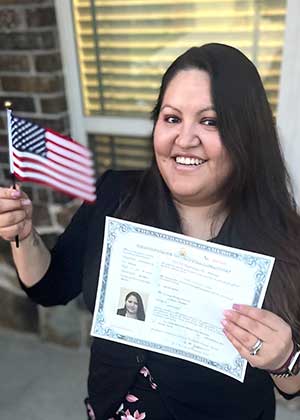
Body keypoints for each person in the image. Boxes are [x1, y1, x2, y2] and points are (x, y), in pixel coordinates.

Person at [0, 43, 300, 420]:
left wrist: (285, 360)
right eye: (172, 118)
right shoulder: (115, 196)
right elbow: (51, 286)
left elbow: (294, 382)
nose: (184, 139)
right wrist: (24, 236)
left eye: (210, 121)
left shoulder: (283, 236)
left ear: (246, 135)